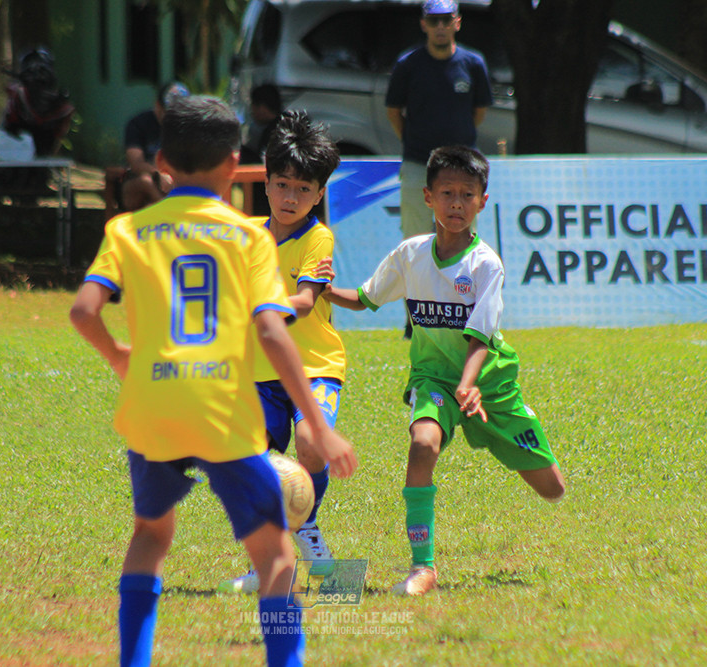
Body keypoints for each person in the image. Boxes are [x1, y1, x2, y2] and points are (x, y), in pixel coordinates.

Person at [69, 95, 358, 667]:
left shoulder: (126, 229)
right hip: (222, 407)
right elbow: (272, 332)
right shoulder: (247, 238)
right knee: (276, 555)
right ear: (235, 164)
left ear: (160, 161)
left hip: (152, 406)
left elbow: (83, 311)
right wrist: (320, 426)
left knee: (150, 537)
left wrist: (120, 357)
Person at [323, 145, 565, 596]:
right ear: (428, 197)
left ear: (482, 202)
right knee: (422, 445)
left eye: (467, 194)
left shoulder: (485, 264)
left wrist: (469, 386)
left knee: (553, 489)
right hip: (434, 380)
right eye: (447, 193)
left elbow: (480, 338)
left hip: (489, 386)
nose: (457, 203)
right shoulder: (410, 254)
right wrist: (322, 289)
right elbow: (365, 298)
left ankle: (502, 433)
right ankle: (423, 567)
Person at [220, 110, 345, 594]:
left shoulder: (318, 237)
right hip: (257, 370)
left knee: (311, 444)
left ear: (319, 194)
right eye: (282, 185)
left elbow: (305, 303)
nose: (291, 198)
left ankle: (307, 527)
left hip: (315, 366)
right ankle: (270, 559)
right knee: (257, 461)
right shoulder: (246, 236)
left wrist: (251, 307)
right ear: (266, 183)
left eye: (303, 189)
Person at [386, 0, 492, 335]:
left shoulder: (473, 63)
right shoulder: (408, 64)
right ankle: (414, 319)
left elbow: (478, 112)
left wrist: (455, 155)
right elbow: (394, 111)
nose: (440, 27)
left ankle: (466, 314)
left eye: (446, 20)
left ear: (457, 22)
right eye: (434, 21)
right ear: (424, 25)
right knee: (416, 240)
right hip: (419, 164)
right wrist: (417, 146)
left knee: (463, 240)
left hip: (464, 172)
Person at [119, 81, 190, 212]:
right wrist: (159, 174)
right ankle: (169, 210)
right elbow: (136, 164)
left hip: (176, 181)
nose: (175, 119)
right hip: (143, 179)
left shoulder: (187, 128)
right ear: (158, 106)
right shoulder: (138, 124)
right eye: (170, 113)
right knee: (145, 182)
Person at [2, 48, 75, 157]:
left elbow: (59, 133)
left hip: (41, 147)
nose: (37, 76)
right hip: (17, 150)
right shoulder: (17, 96)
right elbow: (9, 127)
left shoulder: (61, 108)